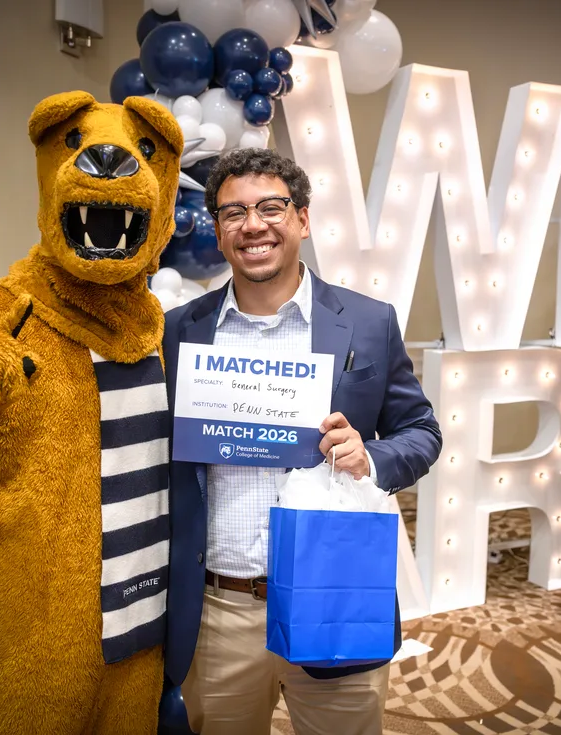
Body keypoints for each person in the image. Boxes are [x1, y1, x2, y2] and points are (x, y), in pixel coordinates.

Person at [161, 147, 442, 734]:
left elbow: (422, 431)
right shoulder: (179, 333)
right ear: (217, 229)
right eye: (233, 213)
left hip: (333, 590)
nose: (253, 225)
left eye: (271, 207)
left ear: (303, 219)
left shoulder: (369, 322)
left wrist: (371, 456)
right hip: (219, 609)